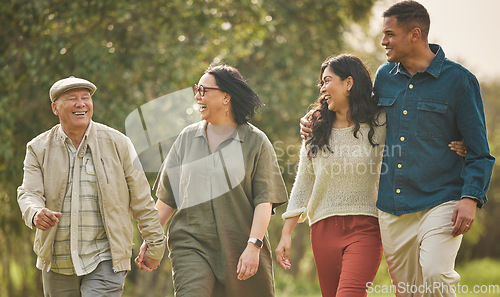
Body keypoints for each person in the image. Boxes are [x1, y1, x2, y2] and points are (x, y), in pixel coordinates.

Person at [301, 1, 495, 296]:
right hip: (393, 207)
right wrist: (316, 117)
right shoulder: (384, 77)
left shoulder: (460, 81)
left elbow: (481, 151)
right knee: (407, 290)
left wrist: (470, 197)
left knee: (436, 272)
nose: (383, 42)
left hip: (442, 199)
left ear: (414, 34)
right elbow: (358, 115)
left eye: (389, 34)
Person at [135, 64, 288, 296]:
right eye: (197, 90)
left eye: (203, 90)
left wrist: (253, 246)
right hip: (191, 243)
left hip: (239, 245)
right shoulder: (187, 138)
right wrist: (152, 239)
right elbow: (167, 197)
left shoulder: (256, 142)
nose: (197, 96)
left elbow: (264, 201)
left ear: (226, 96)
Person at [17, 76, 167, 297]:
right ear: (55, 108)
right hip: (57, 260)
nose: (81, 103)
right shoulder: (38, 148)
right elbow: (29, 192)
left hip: (106, 258)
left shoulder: (119, 143)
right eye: (72, 98)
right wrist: (36, 212)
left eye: (85, 98)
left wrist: (155, 245)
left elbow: (141, 199)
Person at [276, 54, 386, 297]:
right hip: (323, 229)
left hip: (366, 227)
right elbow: (304, 180)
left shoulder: (379, 123)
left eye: (327, 81)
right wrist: (286, 232)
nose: (322, 88)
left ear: (349, 83)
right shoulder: (316, 128)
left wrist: (457, 141)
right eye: (321, 83)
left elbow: (413, 138)